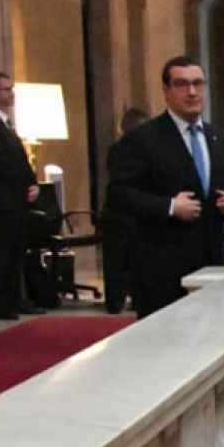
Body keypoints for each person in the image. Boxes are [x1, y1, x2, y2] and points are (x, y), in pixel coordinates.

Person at [108, 56, 224, 317]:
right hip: (160, 265)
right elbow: (119, 194)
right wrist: (168, 206)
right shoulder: (142, 139)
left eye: (198, 84)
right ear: (166, 92)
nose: (192, 92)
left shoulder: (219, 137)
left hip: (212, 262)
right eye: (182, 84)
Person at [0, 71, 37, 321]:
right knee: (1, 254)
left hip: (14, 202)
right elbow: (1, 163)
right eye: (4, 89)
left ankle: (14, 299)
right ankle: (1, 304)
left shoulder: (6, 123)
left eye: (11, 89)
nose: (10, 94)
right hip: (0, 202)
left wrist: (32, 182)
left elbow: (19, 161)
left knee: (14, 253)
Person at [100, 105, 150, 316]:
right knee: (133, 260)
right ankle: (135, 299)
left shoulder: (116, 148)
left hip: (116, 212)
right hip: (131, 212)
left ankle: (115, 301)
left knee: (115, 261)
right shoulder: (139, 150)